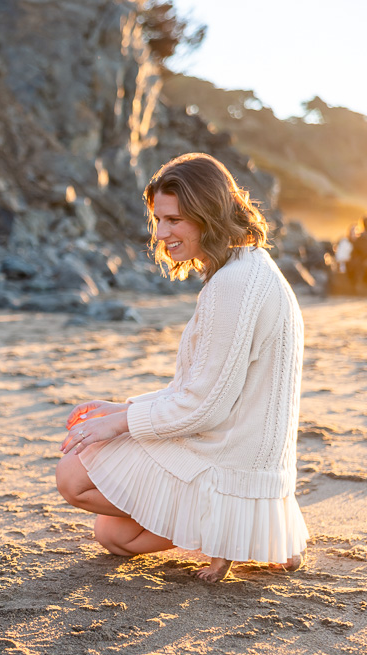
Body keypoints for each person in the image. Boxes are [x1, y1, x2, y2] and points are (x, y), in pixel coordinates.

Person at [55, 153, 309, 582]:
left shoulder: (234, 285)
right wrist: (121, 408)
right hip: (248, 453)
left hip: (226, 453)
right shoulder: (248, 267)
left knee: (72, 478)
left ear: (207, 213)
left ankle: (225, 527)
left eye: (174, 220)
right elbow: (208, 386)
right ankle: (244, 531)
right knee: (114, 536)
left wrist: (120, 425)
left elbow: (204, 406)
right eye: (158, 220)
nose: (162, 233)